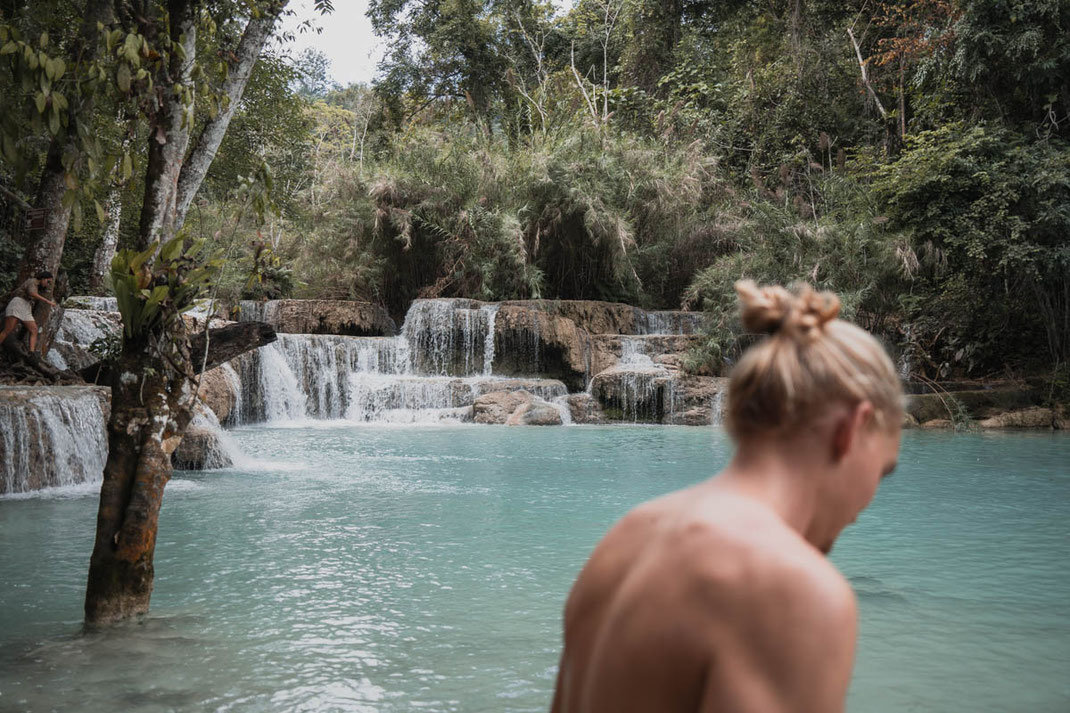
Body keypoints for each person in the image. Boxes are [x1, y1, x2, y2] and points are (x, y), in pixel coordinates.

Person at [550, 280, 903, 713]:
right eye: (883, 471)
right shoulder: (794, 591)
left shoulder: (625, 540)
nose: (863, 508)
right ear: (852, 430)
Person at [0, 270, 57, 354]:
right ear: (43, 278)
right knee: (8, 329)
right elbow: (32, 293)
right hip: (18, 303)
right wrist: (47, 301)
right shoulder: (32, 281)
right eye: (47, 281)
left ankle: (31, 353)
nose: (47, 284)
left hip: (26, 306)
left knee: (34, 329)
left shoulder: (38, 286)